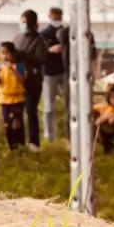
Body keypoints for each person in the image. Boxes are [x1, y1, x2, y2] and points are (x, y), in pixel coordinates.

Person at [11, 10, 48, 151]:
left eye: (25, 21)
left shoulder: (39, 40)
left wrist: (25, 55)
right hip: (16, 81)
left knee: (31, 111)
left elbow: (41, 58)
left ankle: (34, 142)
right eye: (22, 21)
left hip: (33, 80)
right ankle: (18, 141)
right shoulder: (17, 38)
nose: (23, 24)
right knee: (16, 111)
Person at [0, 42, 28, 151]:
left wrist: (13, 70)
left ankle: (20, 145)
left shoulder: (19, 65)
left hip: (17, 98)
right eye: (2, 53)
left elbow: (22, 79)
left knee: (16, 122)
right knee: (7, 123)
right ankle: (12, 147)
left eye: (7, 53)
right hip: (4, 99)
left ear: (12, 53)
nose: (5, 56)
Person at [39, 7, 69, 135]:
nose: (57, 19)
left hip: (65, 71)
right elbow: (39, 53)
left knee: (70, 103)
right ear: (49, 16)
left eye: (59, 17)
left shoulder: (67, 32)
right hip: (49, 73)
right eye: (54, 17)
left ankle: (70, 133)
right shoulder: (44, 33)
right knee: (49, 106)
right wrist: (50, 50)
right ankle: (49, 134)